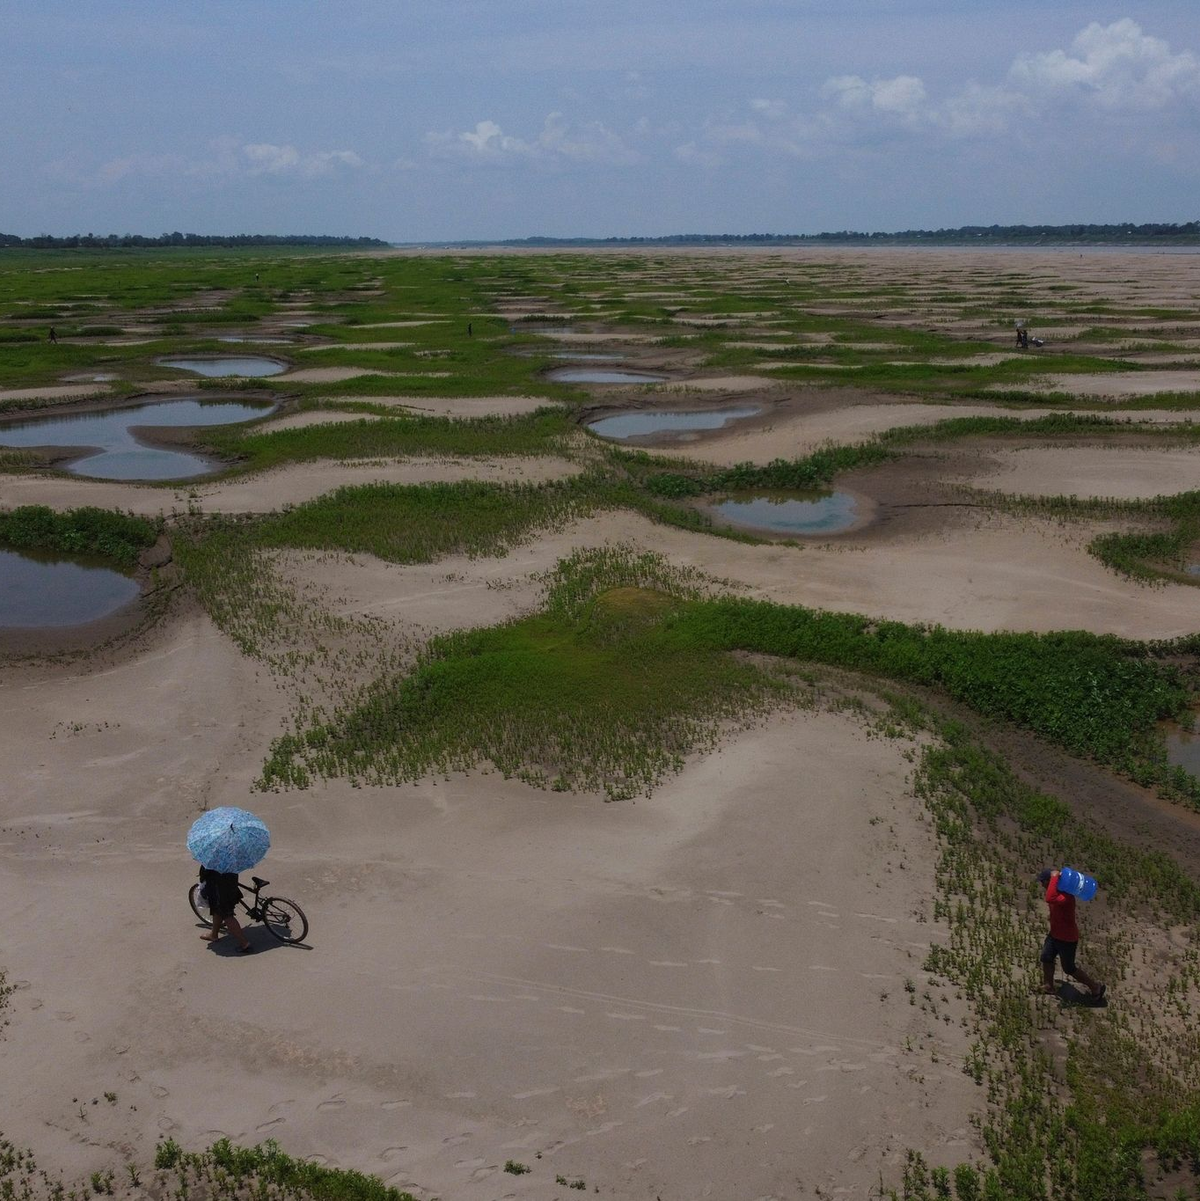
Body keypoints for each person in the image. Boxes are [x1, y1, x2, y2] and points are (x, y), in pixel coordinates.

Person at [1038, 868, 1103, 999]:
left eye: (1043, 882)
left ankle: (1096, 987)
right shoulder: (1058, 894)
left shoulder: (1065, 897)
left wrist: (1055, 877)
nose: (1041, 885)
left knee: (1069, 968)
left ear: (1049, 882)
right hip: (1054, 934)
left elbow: (1049, 898)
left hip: (1067, 939)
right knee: (1046, 957)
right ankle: (1049, 986)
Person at [198, 866, 254, 953]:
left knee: (226, 915)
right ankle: (214, 934)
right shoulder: (230, 856)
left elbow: (206, 873)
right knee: (218, 910)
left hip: (220, 888)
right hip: (231, 883)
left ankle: (244, 944)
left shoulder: (213, 860)